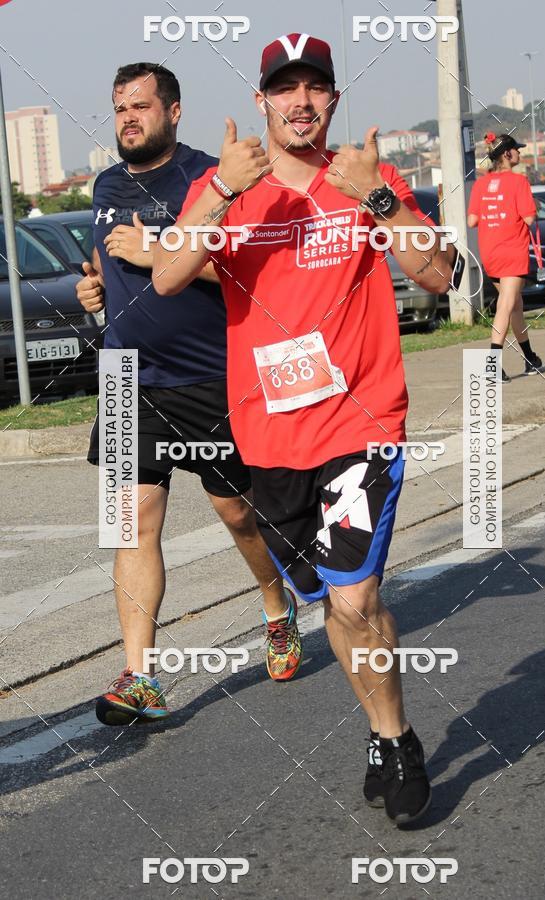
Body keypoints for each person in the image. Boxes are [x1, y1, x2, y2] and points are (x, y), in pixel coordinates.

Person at [153, 34, 458, 824]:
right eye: (284, 88)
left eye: (314, 87)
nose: (300, 101)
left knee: (356, 598)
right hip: (268, 441)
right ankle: (380, 731)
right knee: (325, 598)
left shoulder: (363, 178)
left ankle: (396, 740)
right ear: (262, 102)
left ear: (332, 100)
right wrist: (222, 189)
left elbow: (440, 274)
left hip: (361, 425)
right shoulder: (229, 187)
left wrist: (379, 199)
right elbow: (167, 275)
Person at [77, 62, 302, 727]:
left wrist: (158, 250)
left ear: (173, 111)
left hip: (209, 376)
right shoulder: (106, 184)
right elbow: (104, 264)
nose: (128, 118)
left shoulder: (209, 178)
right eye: (120, 107)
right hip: (126, 377)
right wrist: (95, 288)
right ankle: (140, 676)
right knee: (131, 522)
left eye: (140, 106)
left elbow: (245, 273)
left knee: (238, 514)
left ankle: (276, 605)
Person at [468, 132, 543, 382]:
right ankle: (492, 365)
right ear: (508, 154)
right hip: (512, 251)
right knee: (506, 305)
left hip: (490, 253)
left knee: (514, 305)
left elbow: (472, 220)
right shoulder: (519, 182)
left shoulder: (481, 184)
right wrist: (535, 205)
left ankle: (530, 358)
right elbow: (529, 218)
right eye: (517, 150)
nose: (519, 153)